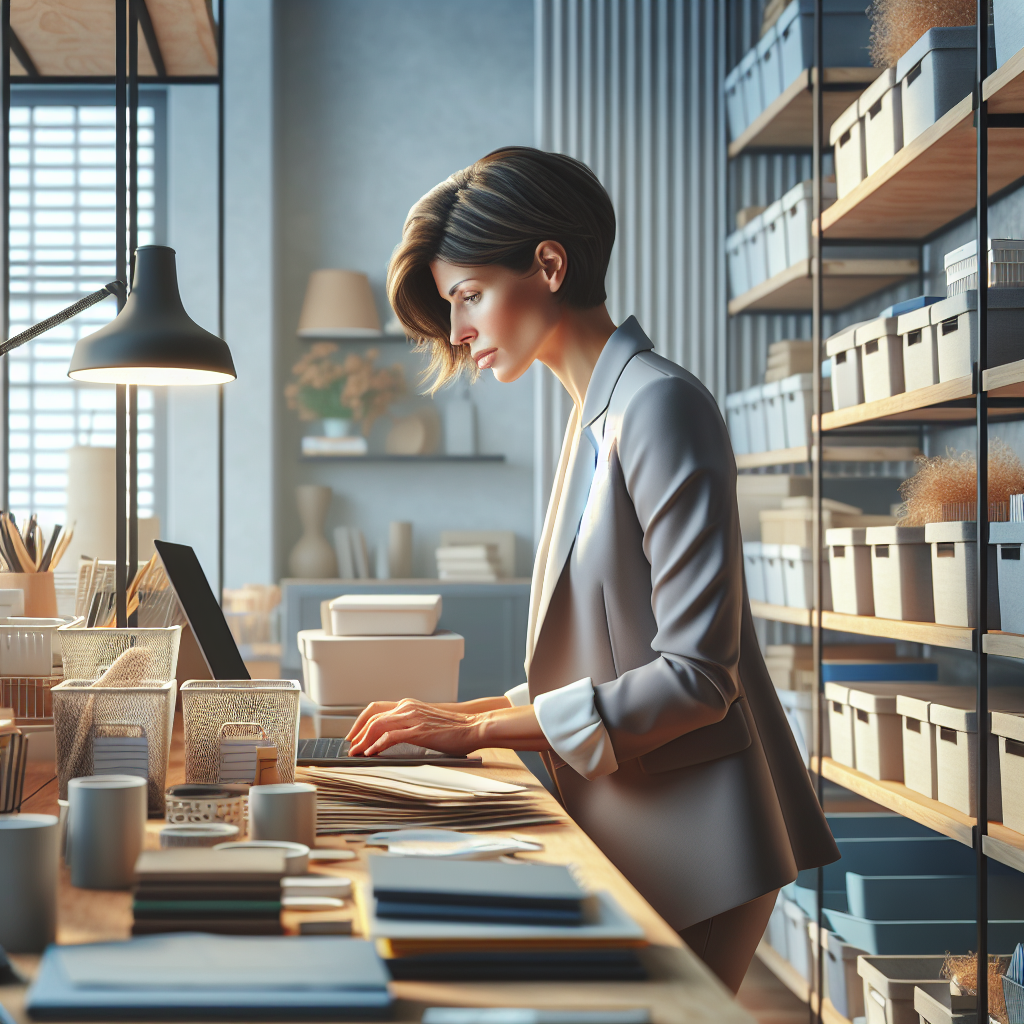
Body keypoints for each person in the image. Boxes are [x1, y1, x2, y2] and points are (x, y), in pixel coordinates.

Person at [347, 146, 838, 993]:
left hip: (699, 834)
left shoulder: (660, 406)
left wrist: (478, 731)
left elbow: (694, 677)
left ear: (547, 265)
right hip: (636, 812)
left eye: (468, 295)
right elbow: (603, 660)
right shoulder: (594, 415)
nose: (459, 331)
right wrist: (456, 714)